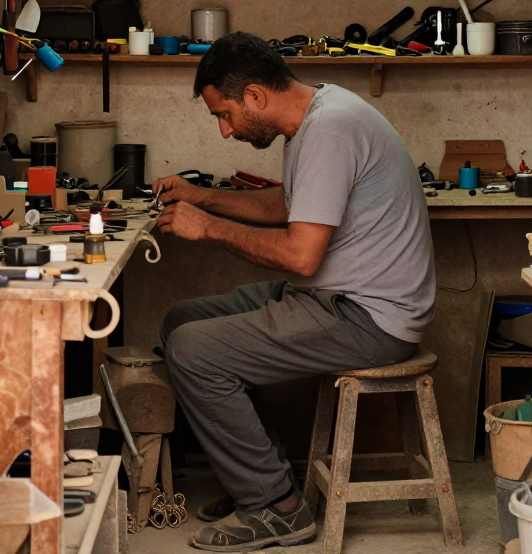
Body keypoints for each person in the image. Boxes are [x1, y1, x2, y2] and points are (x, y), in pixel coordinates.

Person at [153, 32, 436, 552]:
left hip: (369, 318)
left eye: (225, 115)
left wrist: (207, 227)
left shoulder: (330, 130)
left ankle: (277, 507)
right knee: (179, 320)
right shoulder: (316, 114)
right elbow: (290, 206)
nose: (224, 131)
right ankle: (256, 478)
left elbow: (301, 255)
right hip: (332, 296)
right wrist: (202, 197)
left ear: (255, 96)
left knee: (193, 351)